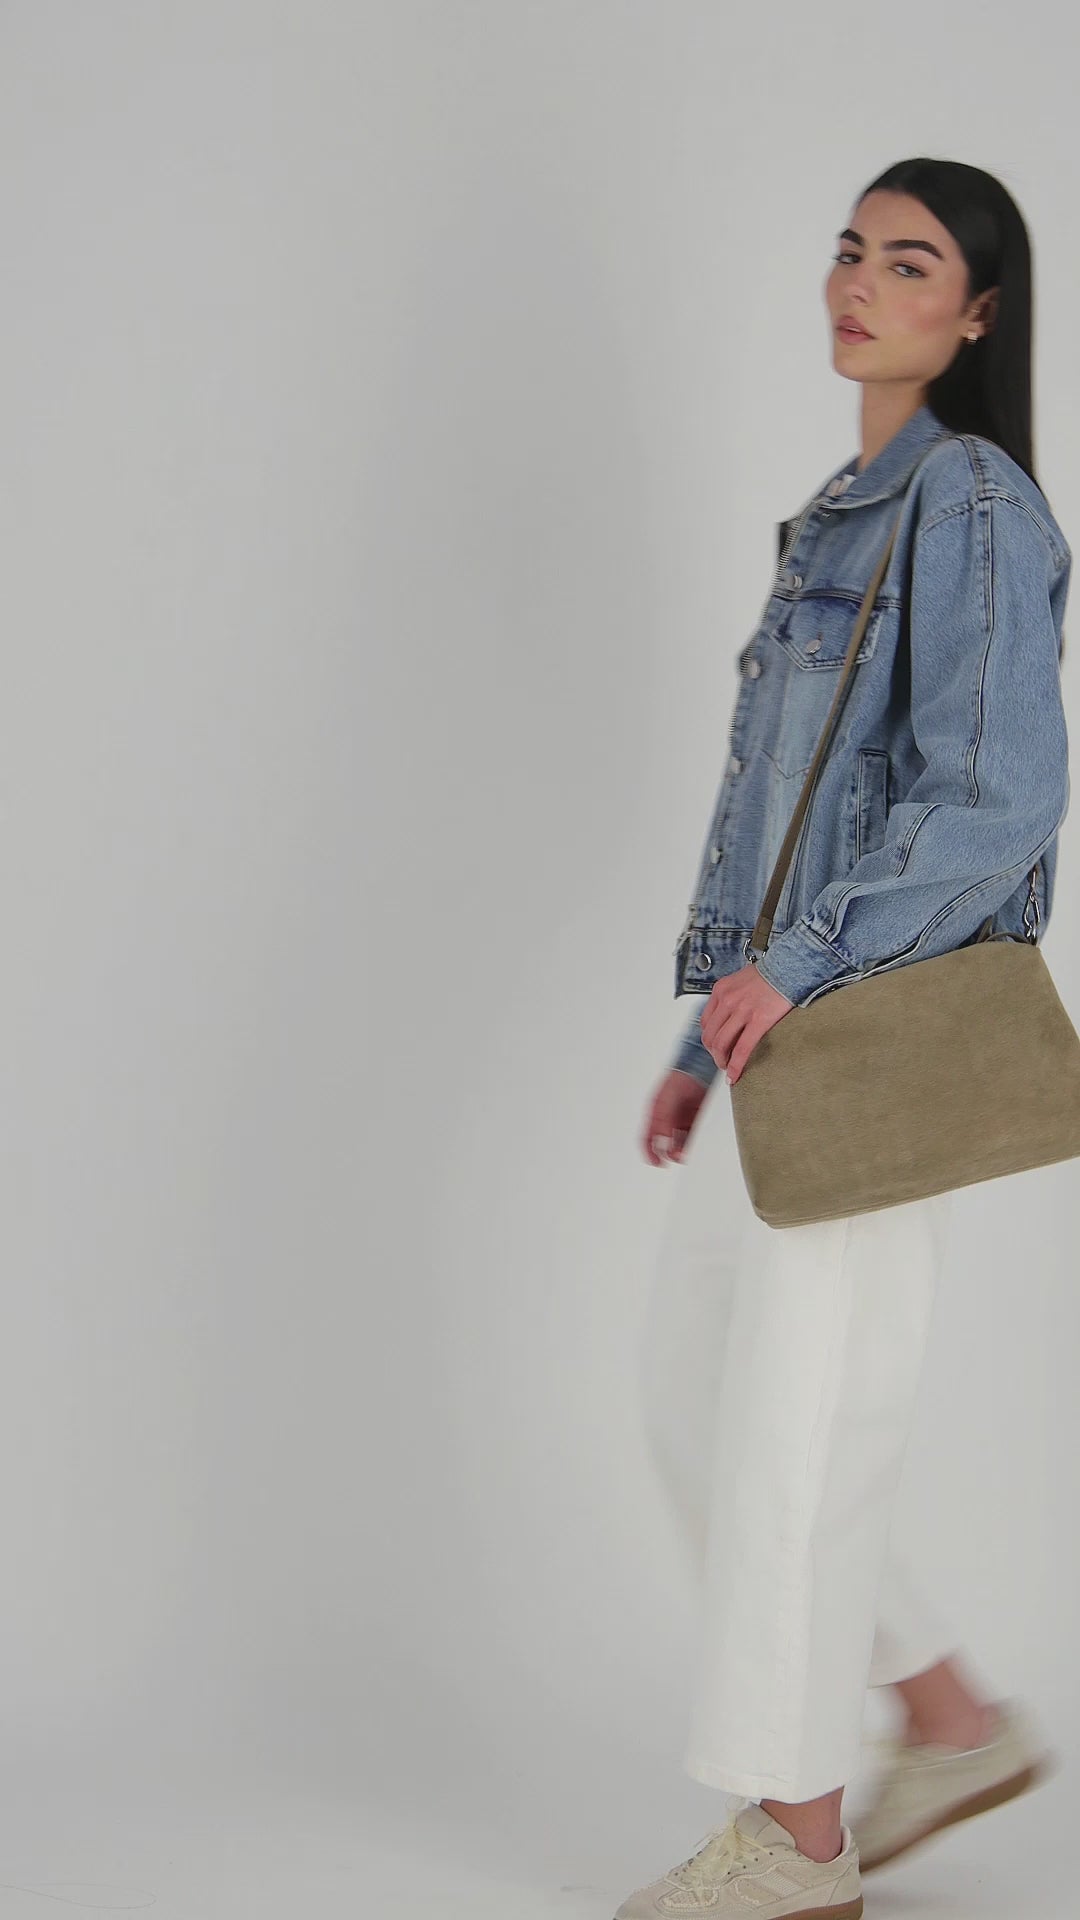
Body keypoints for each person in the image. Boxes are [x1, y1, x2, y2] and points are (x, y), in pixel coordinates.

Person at [617, 157, 1069, 1920]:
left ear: (980, 313)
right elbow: (784, 804)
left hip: (868, 1024)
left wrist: (801, 965)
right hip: (784, 1028)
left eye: (911, 263)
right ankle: (946, 1717)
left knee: (796, 1434)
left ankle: (801, 1842)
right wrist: (708, 1020)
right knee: (692, 1392)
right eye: (850, 251)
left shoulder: (972, 504)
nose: (860, 284)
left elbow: (996, 797)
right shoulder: (840, 513)